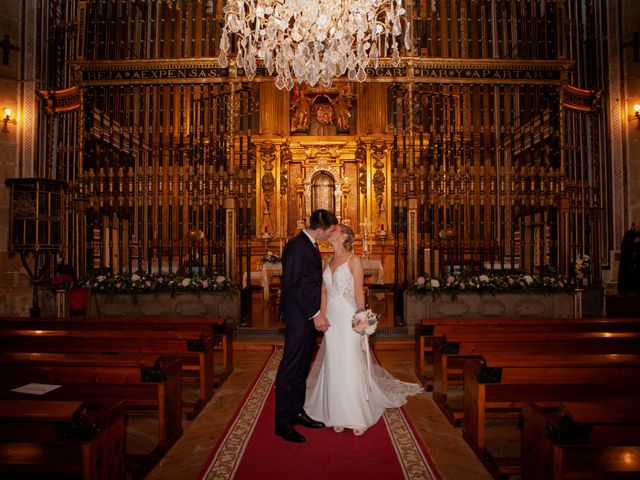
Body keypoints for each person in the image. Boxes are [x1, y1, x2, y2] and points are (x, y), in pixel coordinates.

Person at [304, 224, 422, 436]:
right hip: (331, 318)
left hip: (348, 317)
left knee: (350, 361)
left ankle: (355, 413)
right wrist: (320, 316)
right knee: (334, 362)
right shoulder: (327, 260)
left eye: (335, 231)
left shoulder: (354, 260)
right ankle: (337, 412)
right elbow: (323, 291)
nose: (330, 233)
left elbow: (359, 292)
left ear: (345, 237)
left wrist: (362, 318)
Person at [274, 209, 338, 443]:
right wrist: (315, 313)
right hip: (300, 316)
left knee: (302, 367)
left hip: (307, 316)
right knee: (290, 369)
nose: (332, 234)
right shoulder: (296, 246)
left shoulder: (310, 244)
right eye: (331, 230)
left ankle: (296, 411)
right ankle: (282, 423)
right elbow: (293, 284)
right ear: (319, 229)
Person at [618, 221, 640, 294]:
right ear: (633, 226)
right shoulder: (627, 234)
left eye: (639, 227)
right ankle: (628, 290)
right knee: (629, 274)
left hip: (637, 259)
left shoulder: (639, 234)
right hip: (628, 260)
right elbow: (624, 247)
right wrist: (634, 242)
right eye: (636, 227)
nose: (638, 229)